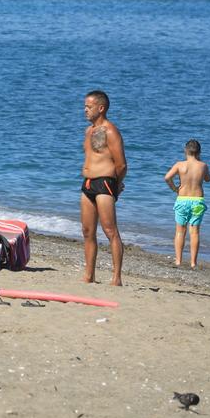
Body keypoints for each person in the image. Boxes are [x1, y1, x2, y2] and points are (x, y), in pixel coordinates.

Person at [80, 89, 126, 286]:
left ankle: (116, 278)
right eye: (84, 107)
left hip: (105, 182)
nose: (85, 110)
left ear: (101, 108)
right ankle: (89, 275)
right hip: (87, 183)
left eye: (88, 107)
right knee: (87, 231)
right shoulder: (89, 131)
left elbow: (121, 164)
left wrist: (116, 185)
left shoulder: (111, 131)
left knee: (110, 230)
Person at [164, 139, 210, 269]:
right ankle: (193, 263)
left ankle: (178, 260)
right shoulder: (203, 166)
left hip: (182, 199)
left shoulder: (179, 165)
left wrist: (174, 188)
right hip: (197, 201)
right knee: (194, 232)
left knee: (180, 231)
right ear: (199, 152)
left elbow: (167, 177)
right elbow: (208, 179)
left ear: (186, 151)